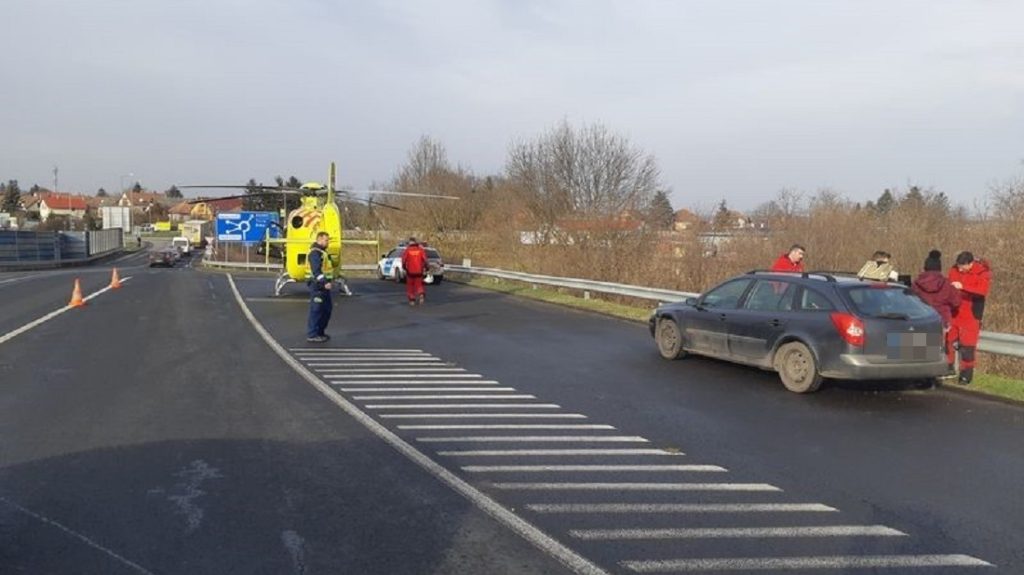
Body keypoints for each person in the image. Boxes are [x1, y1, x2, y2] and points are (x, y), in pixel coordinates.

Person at [911, 250, 960, 374]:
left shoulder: (916, 284)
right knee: (940, 348)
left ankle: (919, 372)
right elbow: (956, 302)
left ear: (925, 267)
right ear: (939, 268)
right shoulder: (946, 284)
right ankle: (940, 371)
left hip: (920, 319)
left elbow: (910, 301)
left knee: (919, 348)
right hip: (941, 320)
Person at [947, 251, 992, 385]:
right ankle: (947, 369)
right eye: (958, 266)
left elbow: (982, 291)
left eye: (962, 266)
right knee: (948, 341)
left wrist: (963, 287)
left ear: (970, 264)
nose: (960, 269)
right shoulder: (954, 270)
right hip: (954, 311)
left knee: (967, 347)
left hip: (971, 314)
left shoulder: (982, 273)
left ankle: (966, 375)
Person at [305, 232, 334, 342]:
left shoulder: (323, 253)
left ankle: (320, 332)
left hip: (323, 286)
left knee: (326, 310)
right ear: (320, 240)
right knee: (316, 310)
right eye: (326, 240)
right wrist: (324, 282)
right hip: (317, 286)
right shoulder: (315, 253)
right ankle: (312, 334)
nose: (328, 242)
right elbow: (316, 271)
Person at [401, 237, 428, 306]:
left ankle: (412, 299)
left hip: (410, 271)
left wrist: (404, 267)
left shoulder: (407, 250)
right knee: (419, 284)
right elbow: (425, 260)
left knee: (410, 286)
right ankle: (421, 293)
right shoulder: (420, 250)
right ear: (416, 242)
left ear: (409, 243)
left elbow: (404, 260)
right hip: (419, 271)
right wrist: (426, 267)